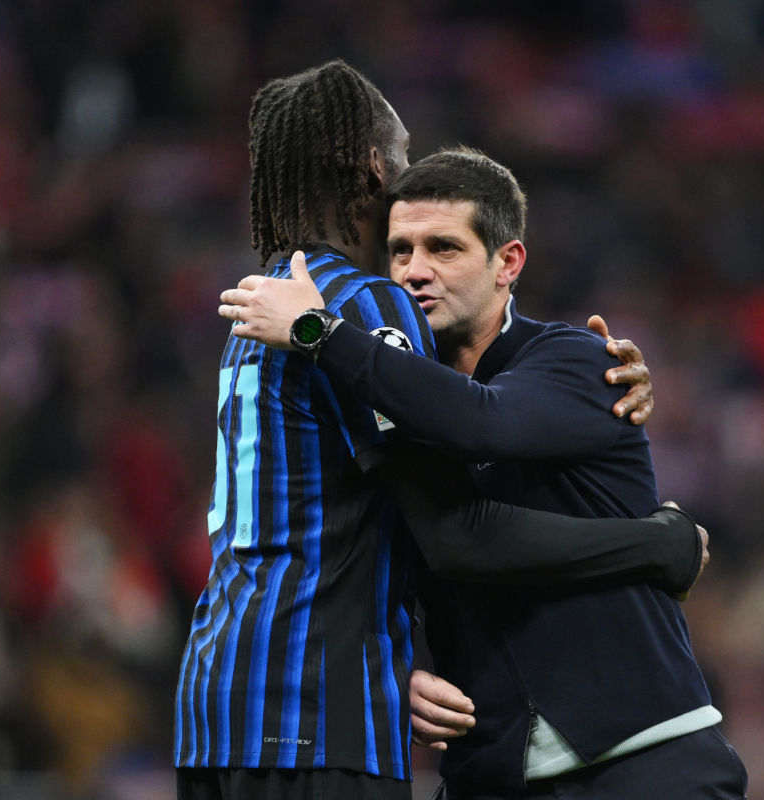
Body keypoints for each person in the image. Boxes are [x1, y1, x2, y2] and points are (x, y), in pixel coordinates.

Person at [177, 61, 708, 800]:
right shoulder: (351, 311)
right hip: (315, 716)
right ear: (373, 169)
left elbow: (333, 514)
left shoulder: (263, 314)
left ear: (507, 263)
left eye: (445, 249)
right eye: (404, 245)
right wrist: (661, 542)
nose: (416, 270)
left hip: (219, 705)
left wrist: (389, 668)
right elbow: (458, 531)